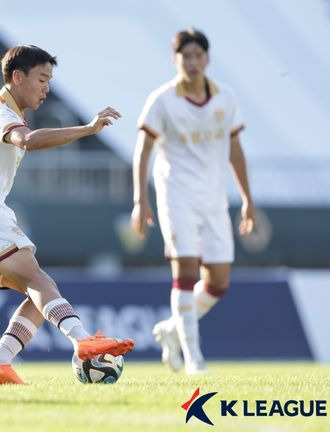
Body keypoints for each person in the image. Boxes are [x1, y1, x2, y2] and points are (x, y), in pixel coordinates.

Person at [0, 45, 134, 385]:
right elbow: (27, 141)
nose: (47, 87)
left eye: (49, 80)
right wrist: (87, 129)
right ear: (18, 77)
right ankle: (82, 340)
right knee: (40, 283)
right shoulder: (0, 110)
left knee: (41, 290)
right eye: (42, 79)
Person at [131, 28, 255, 375]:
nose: (193, 61)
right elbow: (142, 151)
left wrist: (247, 198)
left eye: (198, 55)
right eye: (186, 55)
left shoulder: (225, 98)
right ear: (176, 60)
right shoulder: (162, 99)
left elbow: (235, 149)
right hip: (176, 194)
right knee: (185, 270)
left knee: (218, 282)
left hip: (214, 198)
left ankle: (172, 330)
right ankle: (193, 358)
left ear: (207, 59)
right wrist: (141, 199)